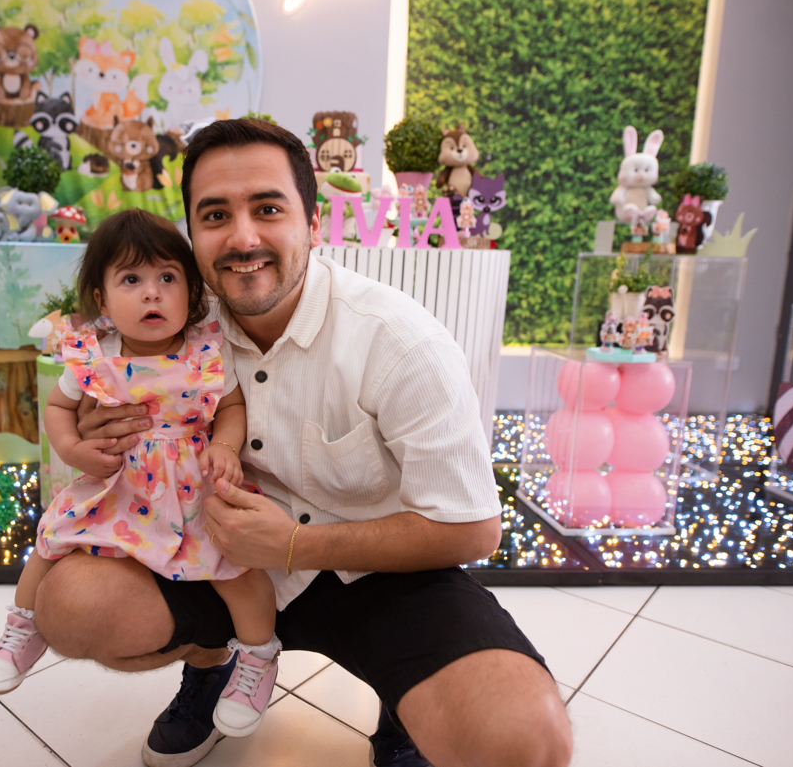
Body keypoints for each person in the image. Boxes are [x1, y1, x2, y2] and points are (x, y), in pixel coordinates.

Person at [33, 119, 573, 767]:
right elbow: (89, 403)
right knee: (67, 608)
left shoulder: (400, 342)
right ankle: (212, 665)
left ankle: (402, 703)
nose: (243, 238)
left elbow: (473, 529)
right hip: (214, 557)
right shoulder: (172, 329)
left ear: (314, 223)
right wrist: (98, 432)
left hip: (377, 573)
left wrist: (293, 545)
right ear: (193, 236)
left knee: (521, 739)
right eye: (215, 215)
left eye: (268, 208)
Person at [0, 210, 283, 738]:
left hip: (193, 485)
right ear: (102, 299)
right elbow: (57, 409)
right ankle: (22, 628)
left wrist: (226, 446)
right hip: (119, 484)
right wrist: (74, 450)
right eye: (132, 279)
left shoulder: (206, 353)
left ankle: (256, 659)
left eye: (168, 277)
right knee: (53, 537)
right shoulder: (95, 357)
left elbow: (230, 407)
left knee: (237, 567)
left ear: (192, 292)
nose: (152, 293)